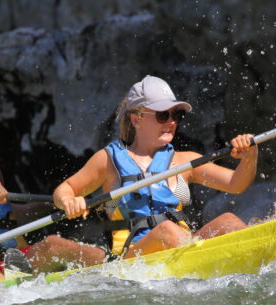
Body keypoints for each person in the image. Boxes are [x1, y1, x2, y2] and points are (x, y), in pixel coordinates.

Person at [53, 75, 258, 259]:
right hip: (132, 257)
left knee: (229, 221)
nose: (171, 122)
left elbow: (236, 183)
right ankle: (202, 259)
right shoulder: (107, 161)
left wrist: (249, 156)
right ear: (136, 120)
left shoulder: (184, 161)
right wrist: (69, 201)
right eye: (162, 115)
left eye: (175, 115)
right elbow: (64, 189)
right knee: (166, 231)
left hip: (182, 247)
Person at [0, 89, 105, 281]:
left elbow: (6, 215)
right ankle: (9, 295)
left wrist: (54, 206)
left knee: (54, 244)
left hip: (9, 257)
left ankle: (117, 267)